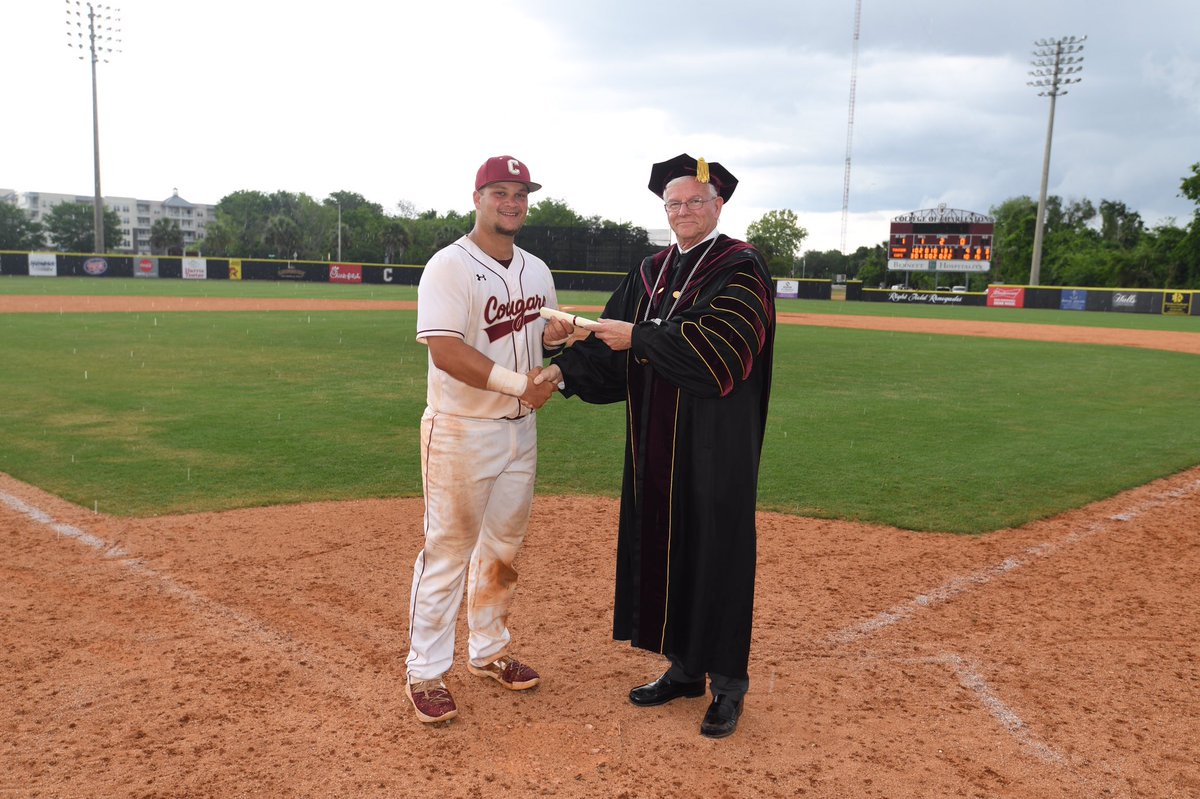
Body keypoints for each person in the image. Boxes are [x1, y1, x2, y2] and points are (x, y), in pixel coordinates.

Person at [537, 154, 775, 739]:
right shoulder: (649, 273)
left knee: (716, 555)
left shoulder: (741, 268)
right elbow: (607, 340)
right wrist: (562, 369)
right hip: (656, 449)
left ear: (718, 205)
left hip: (716, 446)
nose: (684, 211)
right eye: (674, 203)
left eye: (696, 201)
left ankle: (727, 685)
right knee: (670, 550)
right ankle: (685, 669)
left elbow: (722, 353)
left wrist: (639, 337)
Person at [404, 155, 559, 724]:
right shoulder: (448, 266)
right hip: (461, 431)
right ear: (478, 198)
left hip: (520, 431)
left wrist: (556, 336)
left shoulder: (537, 269)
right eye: (501, 192)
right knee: (447, 552)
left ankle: (488, 651)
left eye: (520, 193)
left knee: (503, 550)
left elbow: (538, 335)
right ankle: (425, 670)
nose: (512, 202)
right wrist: (518, 383)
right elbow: (444, 350)